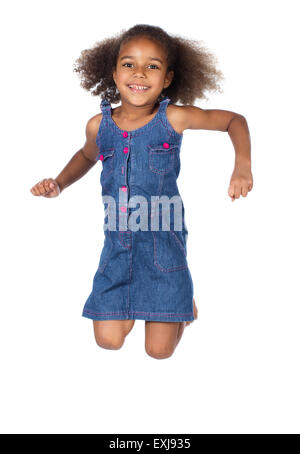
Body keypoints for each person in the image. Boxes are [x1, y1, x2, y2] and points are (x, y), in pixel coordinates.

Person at [30, 24, 253, 360]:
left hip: (163, 247)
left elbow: (233, 121)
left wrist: (242, 166)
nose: (139, 74)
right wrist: (59, 184)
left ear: (167, 78)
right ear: (114, 72)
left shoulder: (173, 118)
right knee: (109, 340)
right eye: (129, 64)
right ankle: (156, 301)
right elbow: (86, 156)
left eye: (152, 66)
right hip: (117, 250)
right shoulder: (98, 125)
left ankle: (179, 299)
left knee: (158, 352)